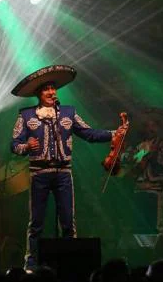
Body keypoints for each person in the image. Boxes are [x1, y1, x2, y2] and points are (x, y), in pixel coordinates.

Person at [10, 65, 126, 270]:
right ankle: (31, 262)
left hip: (64, 173)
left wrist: (113, 133)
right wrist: (26, 146)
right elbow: (14, 145)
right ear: (39, 92)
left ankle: (71, 262)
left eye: (53, 88)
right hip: (39, 173)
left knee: (68, 220)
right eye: (46, 88)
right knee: (36, 221)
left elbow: (89, 133)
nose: (51, 91)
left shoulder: (68, 112)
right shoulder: (26, 115)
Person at [121, 107, 163, 235]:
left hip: (155, 190)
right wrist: (132, 154)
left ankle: (155, 249)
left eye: (154, 125)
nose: (150, 128)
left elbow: (162, 165)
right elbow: (130, 160)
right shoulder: (142, 145)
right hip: (139, 189)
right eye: (148, 125)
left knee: (155, 224)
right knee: (139, 223)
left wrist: (152, 154)